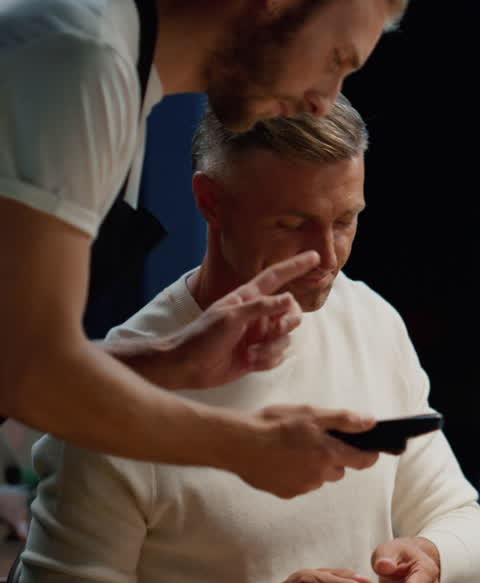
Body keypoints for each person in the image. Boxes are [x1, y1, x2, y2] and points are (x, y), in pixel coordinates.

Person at [15, 95, 480, 583]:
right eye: (292, 225)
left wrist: (432, 562)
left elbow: (458, 517)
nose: (328, 257)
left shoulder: (371, 322)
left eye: (346, 220)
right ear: (211, 201)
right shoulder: (116, 386)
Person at [0, 0, 411, 499]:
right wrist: (244, 447)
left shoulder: (120, 77)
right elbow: (26, 373)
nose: (325, 100)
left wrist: (170, 360)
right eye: (336, 59)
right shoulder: (82, 57)